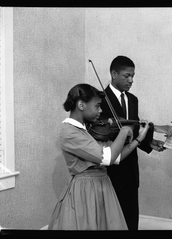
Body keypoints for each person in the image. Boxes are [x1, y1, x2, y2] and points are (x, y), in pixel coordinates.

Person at [48, 83, 150, 230]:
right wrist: (123, 131)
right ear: (81, 105)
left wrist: (138, 139)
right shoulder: (69, 132)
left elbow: (116, 158)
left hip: (102, 186)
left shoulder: (85, 130)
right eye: (97, 106)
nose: (100, 111)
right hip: (85, 191)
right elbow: (107, 158)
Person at [99, 56, 172, 230]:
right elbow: (107, 131)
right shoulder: (100, 100)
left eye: (133, 76)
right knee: (111, 222)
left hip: (131, 170)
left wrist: (149, 143)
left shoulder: (133, 99)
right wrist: (155, 127)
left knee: (131, 221)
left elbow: (134, 127)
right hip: (111, 171)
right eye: (127, 76)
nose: (131, 80)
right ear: (114, 74)